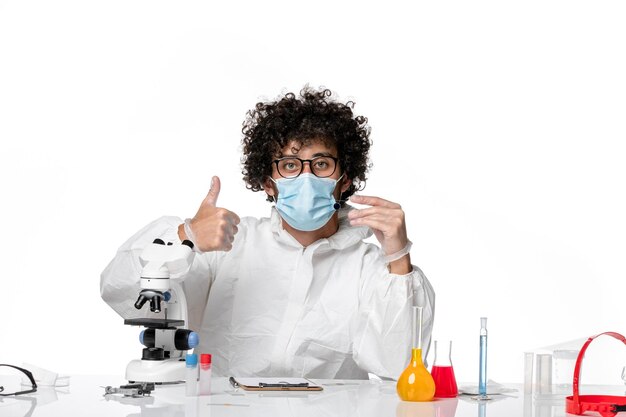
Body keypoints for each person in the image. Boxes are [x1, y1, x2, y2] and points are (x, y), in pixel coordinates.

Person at [100, 87, 435, 380]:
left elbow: (399, 367)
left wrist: (398, 255)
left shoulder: (371, 268)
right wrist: (185, 236)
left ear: (344, 179)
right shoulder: (229, 244)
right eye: (289, 165)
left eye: (320, 164)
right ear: (268, 183)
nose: (306, 177)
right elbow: (120, 290)